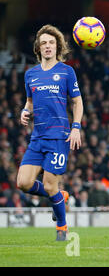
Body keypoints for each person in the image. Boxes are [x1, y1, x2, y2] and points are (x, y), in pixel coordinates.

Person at [16, 25, 83, 241]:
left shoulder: (66, 71)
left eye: (51, 42)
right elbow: (29, 101)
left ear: (57, 47)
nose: (47, 46)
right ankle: (59, 196)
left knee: (49, 184)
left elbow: (77, 102)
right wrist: (25, 111)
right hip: (38, 137)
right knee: (23, 183)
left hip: (59, 136)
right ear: (38, 47)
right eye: (44, 43)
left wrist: (76, 127)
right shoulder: (30, 74)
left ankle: (62, 227)